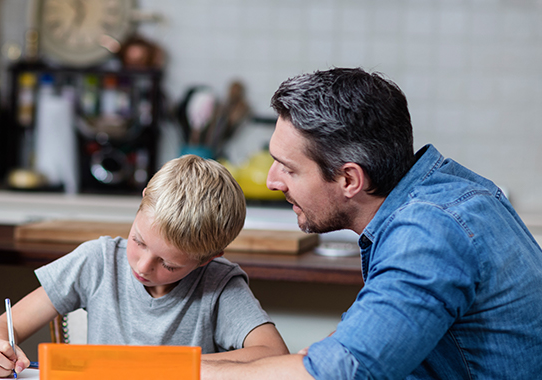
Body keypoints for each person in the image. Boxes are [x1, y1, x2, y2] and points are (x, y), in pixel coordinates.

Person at [207, 68, 542, 379]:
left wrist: (172, 370)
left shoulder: (428, 233)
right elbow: (349, 352)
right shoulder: (439, 192)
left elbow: (341, 371)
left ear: (350, 179)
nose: (271, 181)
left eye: (288, 168)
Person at [0, 155, 289, 378]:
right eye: (138, 241)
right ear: (141, 203)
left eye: (168, 264)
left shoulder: (219, 284)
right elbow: (2, 327)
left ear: (209, 258)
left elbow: (274, 355)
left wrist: (168, 368)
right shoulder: (97, 260)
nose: (142, 265)